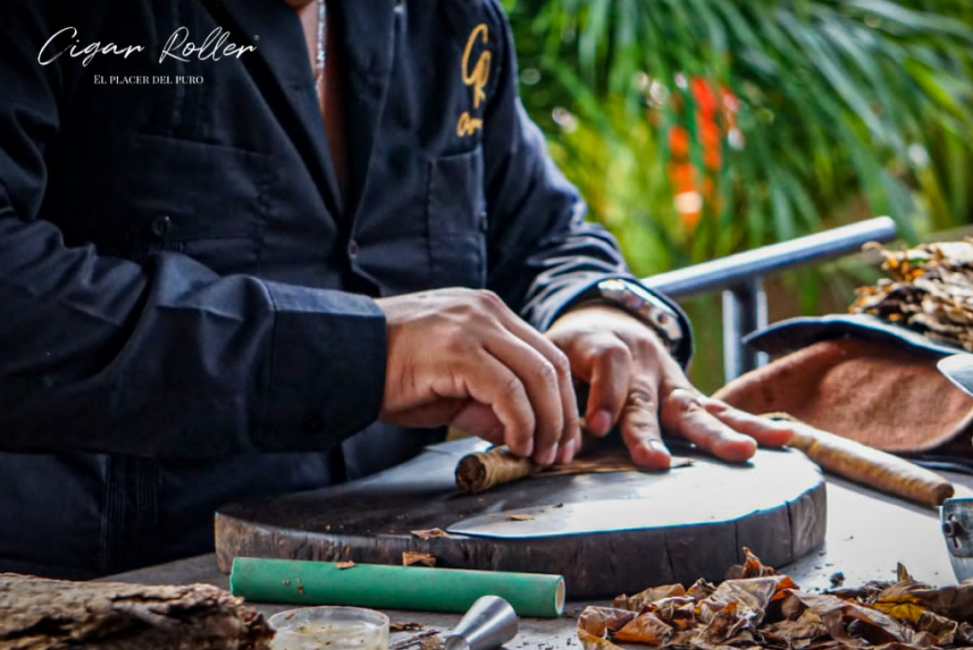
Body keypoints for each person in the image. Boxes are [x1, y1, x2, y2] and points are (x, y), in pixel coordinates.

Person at [0, 0, 792, 579]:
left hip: (415, 581)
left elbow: (541, 231)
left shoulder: (447, 21)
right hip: (100, 591)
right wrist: (363, 352)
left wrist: (595, 311)